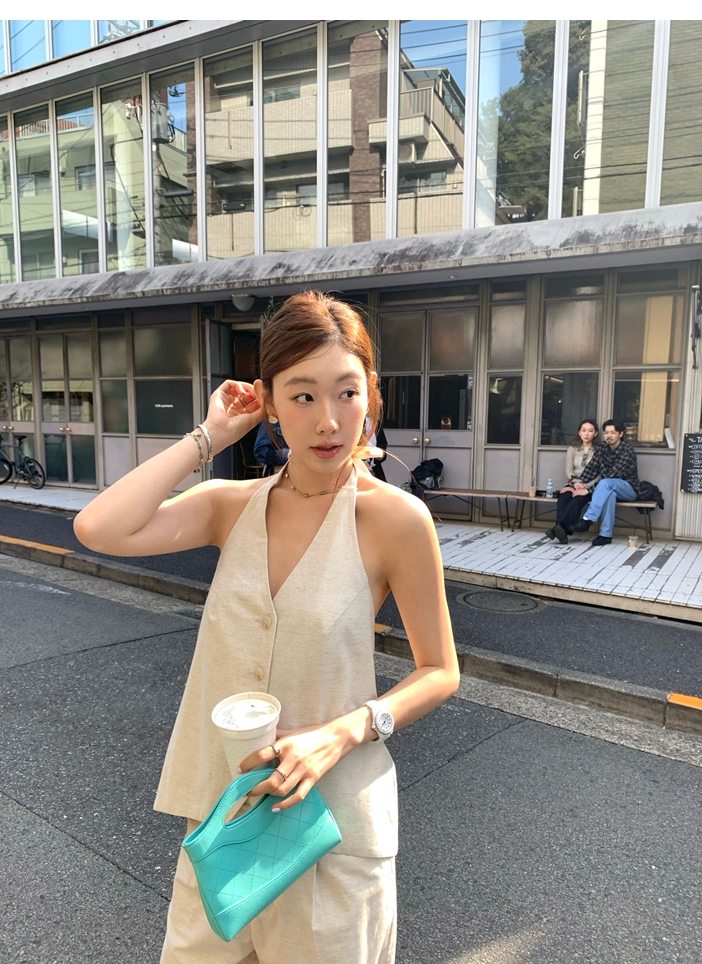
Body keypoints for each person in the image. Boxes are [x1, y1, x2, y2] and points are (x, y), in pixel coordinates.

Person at [73, 291, 459, 964]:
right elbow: (98, 527)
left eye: (347, 392)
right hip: (224, 823)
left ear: (370, 393)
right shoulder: (231, 507)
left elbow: (440, 670)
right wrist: (210, 436)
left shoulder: (394, 520)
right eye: (302, 395)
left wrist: (345, 731)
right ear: (269, 401)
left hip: (333, 830)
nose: (329, 420)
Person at [569, 419, 640, 546]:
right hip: (609, 487)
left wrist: (588, 490)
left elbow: (612, 475)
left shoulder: (627, 451)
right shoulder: (602, 447)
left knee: (606, 483)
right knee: (609, 494)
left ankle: (588, 519)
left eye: (613, 433)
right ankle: (605, 535)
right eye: (606, 433)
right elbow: (592, 467)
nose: (609, 436)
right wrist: (580, 482)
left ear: (621, 434)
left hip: (629, 489)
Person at [546, 419, 601, 544]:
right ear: (579, 432)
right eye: (584, 430)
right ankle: (562, 531)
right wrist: (575, 483)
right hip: (573, 483)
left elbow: (600, 474)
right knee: (563, 497)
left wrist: (585, 486)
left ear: (596, 433)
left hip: (590, 486)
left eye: (590, 431)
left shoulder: (599, 450)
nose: (586, 433)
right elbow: (569, 470)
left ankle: (558, 529)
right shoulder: (572, 449)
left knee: (577, 500)